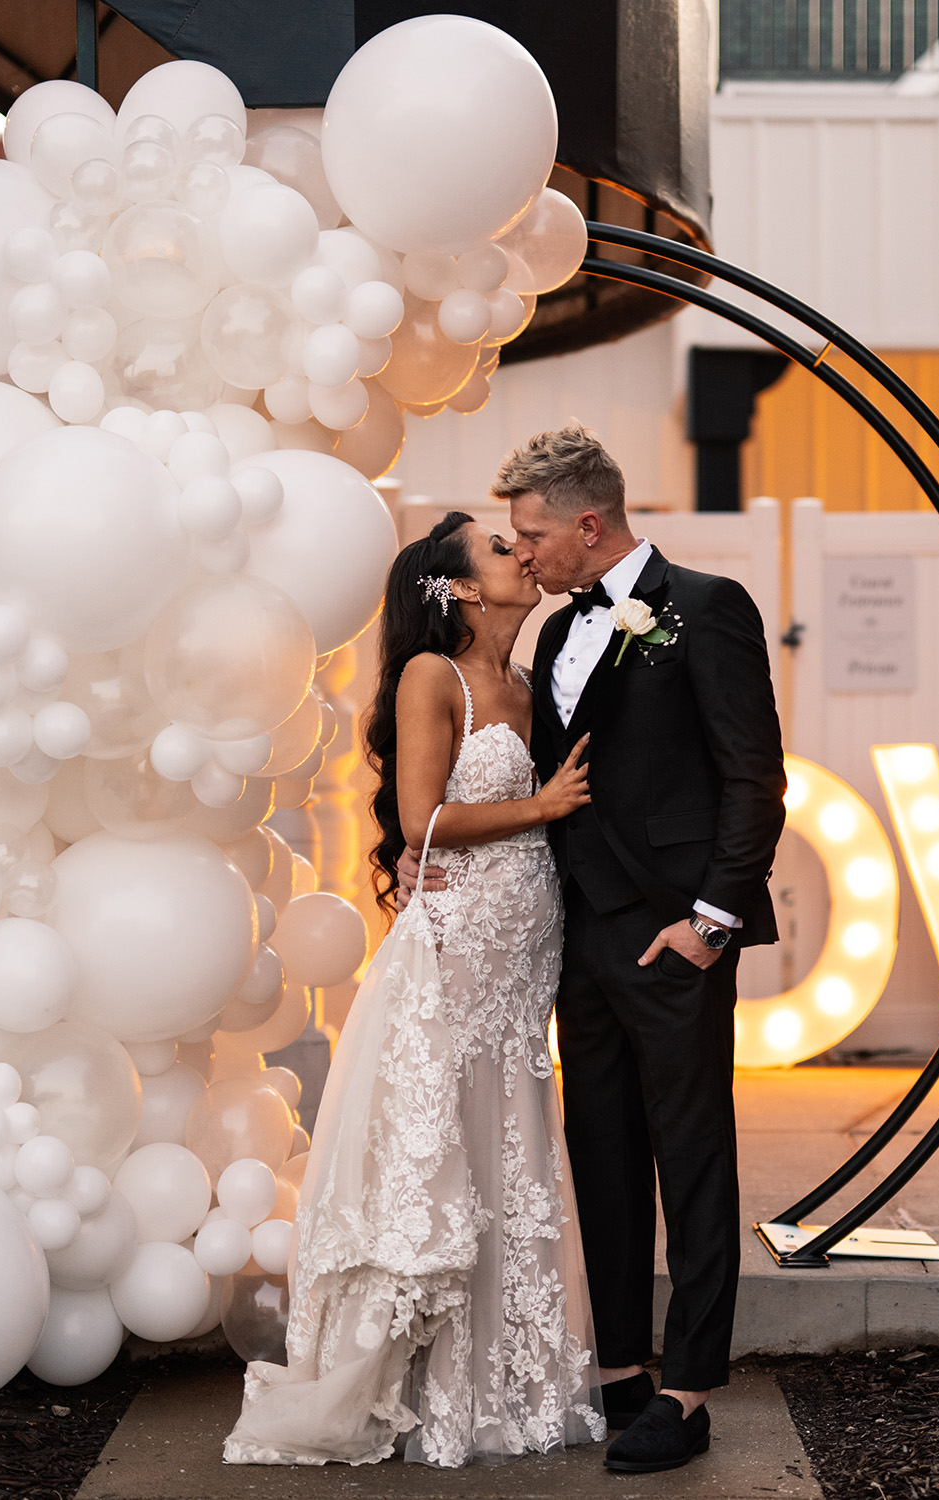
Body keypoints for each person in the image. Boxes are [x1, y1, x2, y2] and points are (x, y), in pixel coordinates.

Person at [415, 425, 787, 1473]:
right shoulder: (548, 637)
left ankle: (689, 1385)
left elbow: (753, 778)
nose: (522, 554)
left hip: (672, 936)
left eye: (534, 535)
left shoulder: (707, 608)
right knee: (604, 1153)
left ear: (591, 524)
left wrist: (712, 921)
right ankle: (623, 1365)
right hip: (575, 935)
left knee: (692, 1154)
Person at [225, 510, 605, 1468]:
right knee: (440, 1141)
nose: (522, 551)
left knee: (509, 1136)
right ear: (463, 588)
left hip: (524, 959)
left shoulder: (526, 681)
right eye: (497, 546)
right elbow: (423, 820)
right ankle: (423, 1387)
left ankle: (505, 1384)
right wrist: (545, 804)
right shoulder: (431, 677)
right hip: (457, 947)